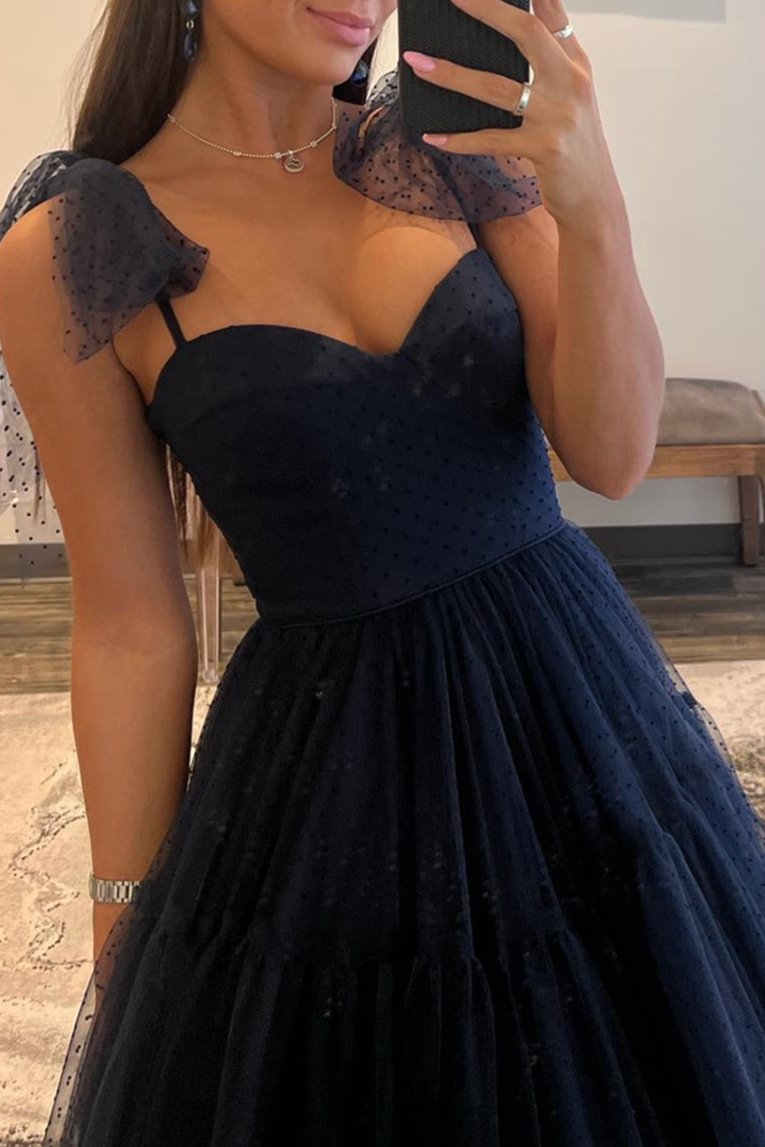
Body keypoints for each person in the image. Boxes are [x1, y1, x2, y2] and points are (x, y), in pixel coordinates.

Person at [1, 0, 764, 1143]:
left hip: (569, 696)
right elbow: (131, 626)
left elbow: (612, 455)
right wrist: (124, 911)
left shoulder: (450, 146)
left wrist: (592, 199)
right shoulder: (77, 249)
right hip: (334, 759)